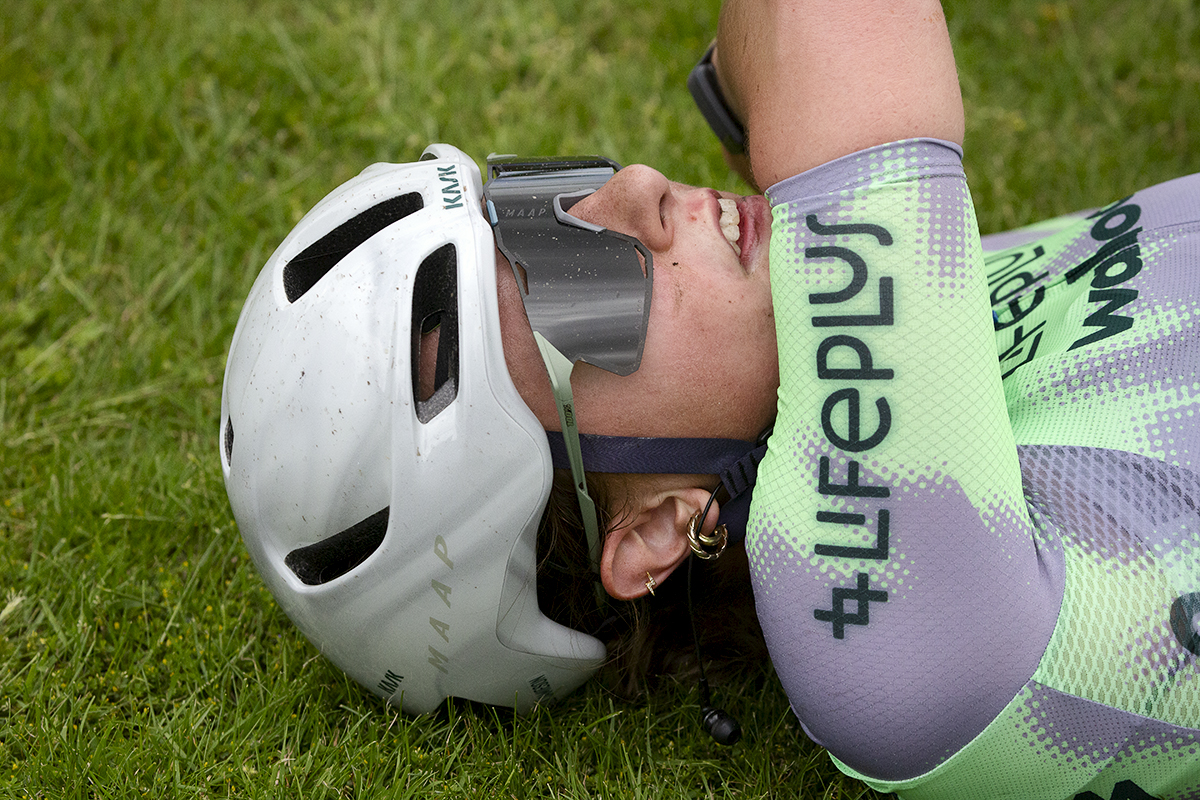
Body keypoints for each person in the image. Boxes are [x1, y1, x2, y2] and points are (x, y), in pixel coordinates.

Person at [219, 1, 1200, 798]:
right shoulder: (877, 634)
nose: (639, 187)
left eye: (547, 204)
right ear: (651, 528)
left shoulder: (845, 347)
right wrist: (753, 80)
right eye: (573, 279)